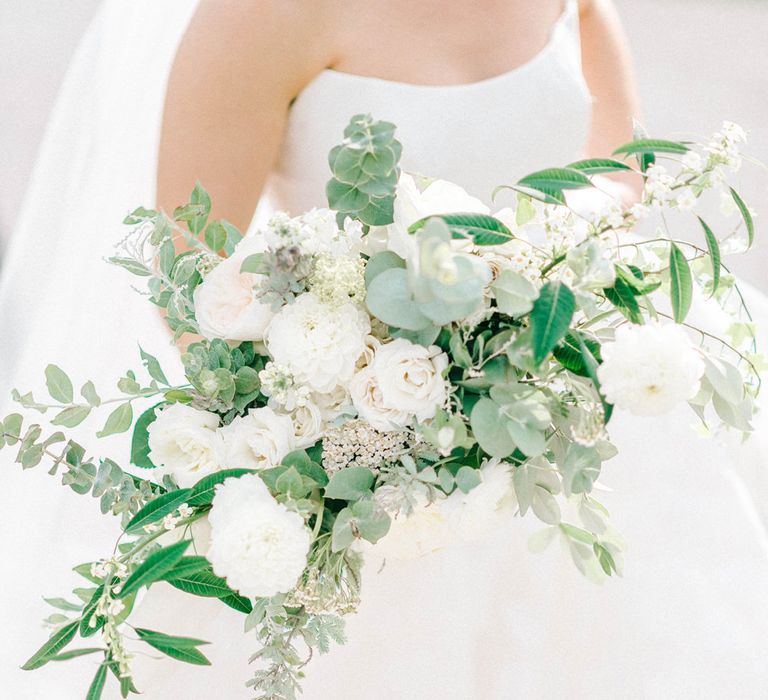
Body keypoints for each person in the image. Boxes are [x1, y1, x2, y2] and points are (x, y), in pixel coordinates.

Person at [2, 1, 768, 698]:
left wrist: (530, 277)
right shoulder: (257, 17)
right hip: (375, 462)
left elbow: (621, 166)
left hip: (568, 411)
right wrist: (365, 407)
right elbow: (192, 284)